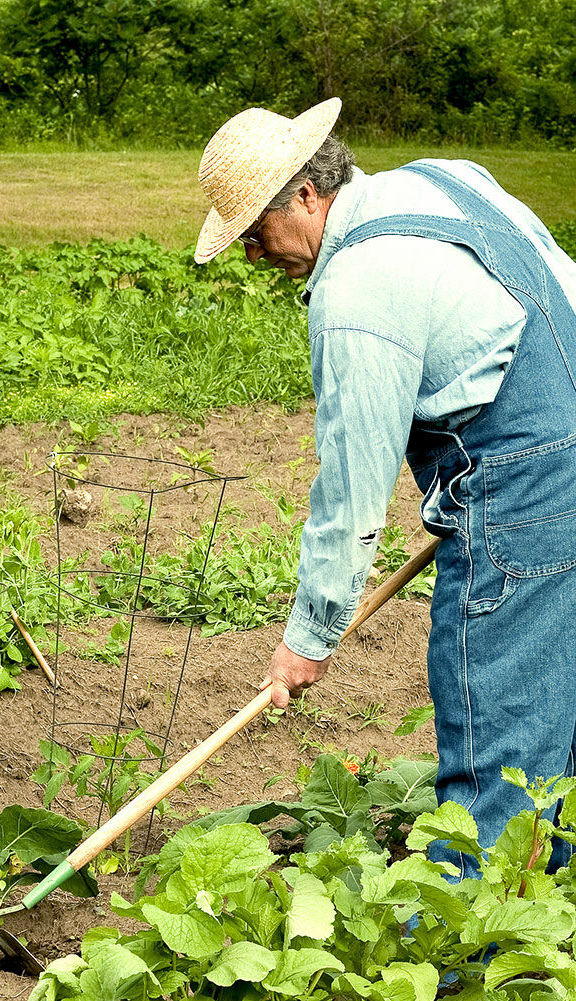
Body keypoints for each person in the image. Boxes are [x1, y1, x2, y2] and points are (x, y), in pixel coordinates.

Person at [194, 98, 576, 874]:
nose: (254, 258)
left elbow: (352, 491)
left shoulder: (358, 289)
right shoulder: (438, 181)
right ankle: (549, 917)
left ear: (304, 195)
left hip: (528, 487)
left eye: (256, 236)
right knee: (556, 721)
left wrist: (309, 636)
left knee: (495, 726)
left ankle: (463, 954)